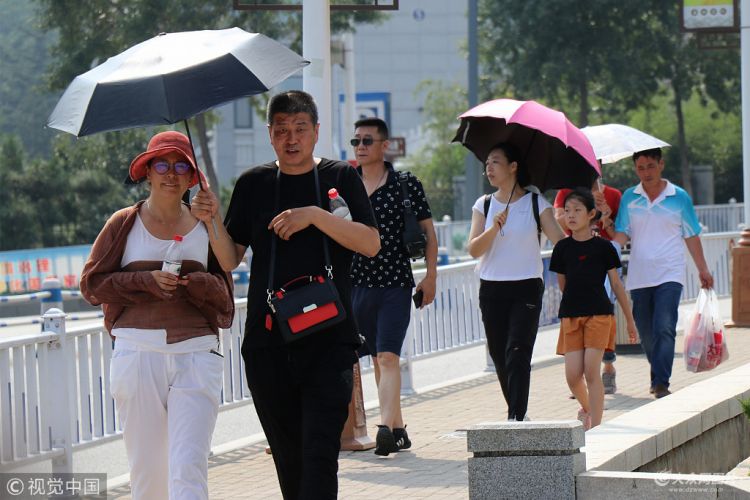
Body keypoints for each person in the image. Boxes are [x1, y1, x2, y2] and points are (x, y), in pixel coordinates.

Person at [190, 90, 380, 499]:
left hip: (329, 338)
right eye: (281, 131)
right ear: (269, 135)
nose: (291, 138)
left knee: (319, 453)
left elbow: (370, 243)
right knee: (288, 456)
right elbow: (229, 258)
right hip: (268, 341)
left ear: (315, 132)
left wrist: (313, 216)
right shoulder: (254, 184)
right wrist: (209, 221)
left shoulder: (340, 178)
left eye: (299, 129)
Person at [79, 130, 235, 500]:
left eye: (182, 165)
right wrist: (144, 281)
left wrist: (198, 282)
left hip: (197, 353)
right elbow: (91, 285)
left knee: (189, 468)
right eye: (161, 164)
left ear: (192, 177)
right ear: (147, 172)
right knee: (148, 473)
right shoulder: (124, 223)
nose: (171, 173)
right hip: (137, 352)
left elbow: (227, 301)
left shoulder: (205, 225)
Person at [349, 117, 438, 456]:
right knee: (375, 358)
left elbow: (429, 232)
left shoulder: (405, 183)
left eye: (367, 141)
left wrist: (431, 275)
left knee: (388, 356)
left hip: (395, 283)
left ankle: (384, 429)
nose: (360, 146)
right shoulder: (345, 184)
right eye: (356, 140)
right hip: (356, 284)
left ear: (384, 146)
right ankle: (398, 428)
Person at [467, 142, 565, 421]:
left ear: (513, 167)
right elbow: (474, 249)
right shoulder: (483, 205)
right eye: (486, 163)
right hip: (491, 288)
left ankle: (516, 418)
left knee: (517, 352)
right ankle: (517, 412)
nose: (489, 168)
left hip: (526, 287)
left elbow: (560, 242)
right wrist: (494, 227)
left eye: (495, 162)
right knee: (500, 356)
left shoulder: (536, 203)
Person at [613, 148, 714, 399]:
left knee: (664, 326)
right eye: (640, 167)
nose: (645, 172)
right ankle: (657, 372)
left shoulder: (679, 197)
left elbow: (691, 235)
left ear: (661, 165)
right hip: (639, 274)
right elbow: (622, 232)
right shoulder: (630, 197)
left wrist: (703, 268)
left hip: (670, 272)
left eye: (650, 166)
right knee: (646, 332)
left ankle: (661, 382)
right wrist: (606, 250)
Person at [550, 188, 637, 430]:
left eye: (577, 210)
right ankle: (589, 408)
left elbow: (617, 285)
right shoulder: (562, 249)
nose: (571, 215)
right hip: (570, 315)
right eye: (567, 211)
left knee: (591, 372)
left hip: (599, 314)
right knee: (572, 377)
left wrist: (629, 320)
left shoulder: (604, 248)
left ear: (591, 214)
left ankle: (597, 427)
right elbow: (563, 284)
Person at [554, 178, 623, 394]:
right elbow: (559, 220)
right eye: (569, 209)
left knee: (602, 313)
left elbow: (617, 234)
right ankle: (583, 386)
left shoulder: (611, 194)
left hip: (601, 263)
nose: (571, 213)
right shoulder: (565, 190)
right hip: (575, 265)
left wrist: (605, 214)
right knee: (578, 363)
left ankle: (607, 365)